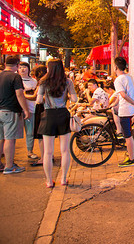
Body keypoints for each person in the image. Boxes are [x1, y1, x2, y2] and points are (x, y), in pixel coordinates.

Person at [36, 59, 77, 187]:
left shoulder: (43, 82)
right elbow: (75, 99)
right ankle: (63, 179)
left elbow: (38, 101)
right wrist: (67, 96)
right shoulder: (68, 81)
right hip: (63, 115)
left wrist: (46, 97)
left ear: (49, 68)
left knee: (48, 152)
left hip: (49, 115)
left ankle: (49, 181)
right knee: (65, 150)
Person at [0, 56, 30, 174]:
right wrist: (26, 110)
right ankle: (9, 166)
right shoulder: (15, 76)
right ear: (17, 65)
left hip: (0, 110)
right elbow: (19, 95)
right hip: (10, 111)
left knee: (1, 138)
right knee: (9, 139)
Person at [113, 57, 134, 167]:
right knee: (128, 134)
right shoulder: (128, 77)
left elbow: (123, 95)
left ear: (115, 67)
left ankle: (132, 159)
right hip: (130, 109)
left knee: (127, 136)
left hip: (125, 110)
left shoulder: (118, 80)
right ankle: (130, 155)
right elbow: (121, 95)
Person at [26, 65, 48, 167]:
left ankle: (43, 158)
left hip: (41, 109)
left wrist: (23, 94)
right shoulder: (51, 81)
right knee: (48, 135)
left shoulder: (41, 83)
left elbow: (36, 98)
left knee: (41, 135)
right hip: (49, 109)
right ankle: (49, 156)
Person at [18, 61, 38, 160]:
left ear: (29, 69)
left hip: (30, 109)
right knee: (12, 133)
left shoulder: (34, 81)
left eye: (25, 67)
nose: (22, 69)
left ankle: (30, 151)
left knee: (30, 132)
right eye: (20, 67)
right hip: (17, 110)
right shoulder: (16, 80)